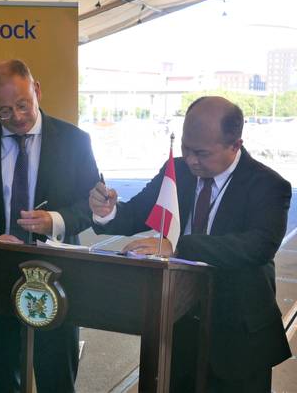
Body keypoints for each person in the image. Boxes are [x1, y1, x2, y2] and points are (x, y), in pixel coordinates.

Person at [89, 96, 291, 392]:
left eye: (202, 153)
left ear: (235, 144)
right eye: (186, 148)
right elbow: (137, 213)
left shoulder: (269, 185)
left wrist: (180, 246)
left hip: (239, 337)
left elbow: (258, 246)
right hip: (181, 326)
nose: (191, 159)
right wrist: (107, 212)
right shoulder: (178, 171)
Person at [0, 59, 100, 393]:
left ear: (37, 90)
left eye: (23, 105)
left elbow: (91, 206)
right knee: (0, 377)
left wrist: (55, 220)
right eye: (4, 111)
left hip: (57, 275)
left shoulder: (75, 140)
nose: (16, 117)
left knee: (56, 375)